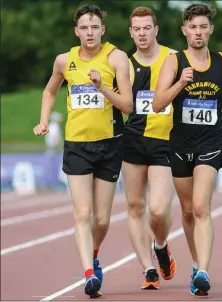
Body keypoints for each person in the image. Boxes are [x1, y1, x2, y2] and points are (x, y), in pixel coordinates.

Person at [33, 4, 133, 298]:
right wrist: (43, 120)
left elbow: (127, 105)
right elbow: (50, 90)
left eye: (95, 27)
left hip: (110, 142)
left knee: (101, 219)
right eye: (84, 28)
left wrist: (103, 87)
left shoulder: (117, 58)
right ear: (76, 31)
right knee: (82, 212)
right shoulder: (65, 61)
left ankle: (95, 252)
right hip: (76, 145)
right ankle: (88, 273)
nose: (90, 32)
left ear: (103, 29)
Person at [152, 3, 222, 296]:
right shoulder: (174, 62)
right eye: (192, 27)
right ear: (184, 30)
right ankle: (196, 263)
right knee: (188, 210)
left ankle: (203, 270)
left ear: (210, 30)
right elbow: (157, 104)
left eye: (203, 27)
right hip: (180, 145)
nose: (198, 32)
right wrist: (181, 82)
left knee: (202, 207)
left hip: (210, 144)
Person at [121, 7, 176, 290]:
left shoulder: (173, 58)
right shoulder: (124, 64)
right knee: (134, 206)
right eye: (137, 29)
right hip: (132, 142)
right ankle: (148, 269)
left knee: (157, 209)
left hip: (164, 142)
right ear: (131, 32)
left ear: (156, 29)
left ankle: (161, 244)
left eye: (147, 28)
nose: (142, 34)